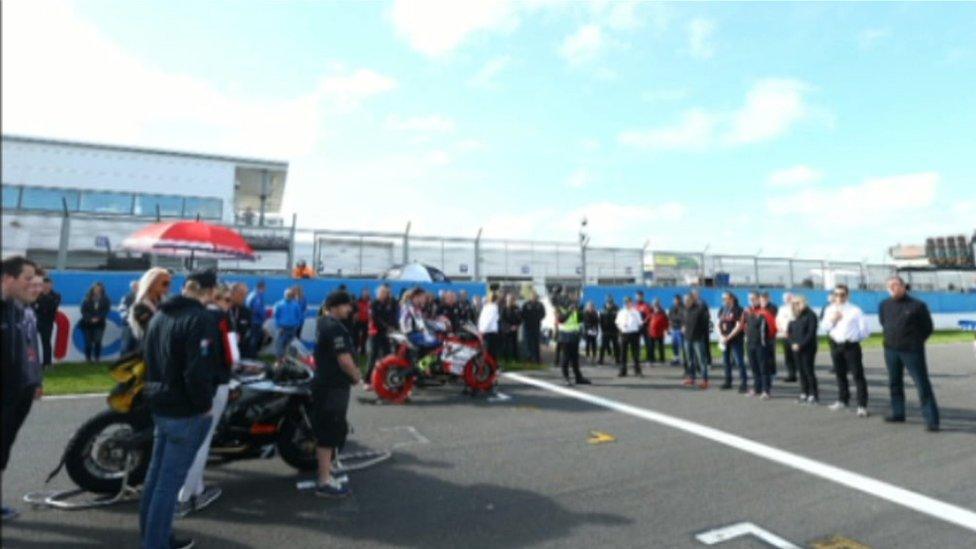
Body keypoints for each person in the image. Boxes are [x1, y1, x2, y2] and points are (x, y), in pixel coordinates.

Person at [140, 270, 220, 549]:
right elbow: (197, 371)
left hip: (160, 403)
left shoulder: (160, 314)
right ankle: (155, 543)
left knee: (155, 477)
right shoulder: (200, 319)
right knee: (168, 484)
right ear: (210, 291)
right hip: (184, 410)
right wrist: (205, 405)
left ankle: (153, 537)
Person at [176, 283, 237, 517]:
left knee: (190, 439)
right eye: (228, 299)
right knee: (202, 440)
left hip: (183, 383)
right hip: (214, 382)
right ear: (214, 295)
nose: (229, 304)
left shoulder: (181, 314)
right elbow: (233, 354)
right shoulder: (220, 317)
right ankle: (185, 497)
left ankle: (197, 487)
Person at [1, 257, 41, 521]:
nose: (33, 285)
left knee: (3, 448)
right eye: (28, 279)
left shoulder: (22, 309)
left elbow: (29, 349)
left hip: (18, 392)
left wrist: (35, 380)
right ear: (8, 278)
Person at [312, 290, 361, 498]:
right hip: (333, 386)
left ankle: (327, 470)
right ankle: (324, 481)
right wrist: (357, 376)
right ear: (334, 307)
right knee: (329, 431)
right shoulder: (334, 328)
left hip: (326, 383)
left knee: (331, 428)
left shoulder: (323, 321)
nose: (349, 309)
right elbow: (344, 360)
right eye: (345, 305)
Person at [879, 276, 940, 431]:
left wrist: (915, 342)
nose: (892, 288)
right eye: (889, 286)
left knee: (921, 384)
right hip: (891, 350)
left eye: (895, 285)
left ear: (904, 286)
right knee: (894, 382)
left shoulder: (917, 305)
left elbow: (928, 327)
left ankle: (932, 420)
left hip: (912, 351)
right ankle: (898, 413)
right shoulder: (884, 305)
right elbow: (883, 322)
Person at [823, 284, 870, 417]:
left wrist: (854, 339)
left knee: (857, 375)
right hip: (836, 345)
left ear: (847, 295)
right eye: (836, 294)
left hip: (851, 346)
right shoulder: (829, 309)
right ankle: (843, 399)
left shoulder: (855, 310)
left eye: (842, 294)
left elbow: (865, 330)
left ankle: (862, 405)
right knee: (840, 374)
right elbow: (824, 327)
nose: (839, 297)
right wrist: (833, 320)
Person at [128, 268, 173, 353]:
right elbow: (151, 329)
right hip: (150, 349)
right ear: (151, 283)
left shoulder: (167, 302)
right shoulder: (140, 306)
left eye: (169, 283)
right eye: (165, 283)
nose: (169, 287)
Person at [788, 294, 820, 405]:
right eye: (794, 303)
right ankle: (804, 393)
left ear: (804, 302)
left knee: (808, 371)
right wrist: (792, 343)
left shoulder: (811, 315)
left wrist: (800, 345)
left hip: (808, 348)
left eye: (798, 303)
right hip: (796, 348)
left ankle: (813, 394)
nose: (796, 305)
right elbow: (790, 332)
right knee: (800, 371)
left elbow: (811, 333)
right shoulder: (794, 316)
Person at [555, 290, 591, 386]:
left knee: (575, 359)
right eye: (568, 298)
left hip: (574, 336)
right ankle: (565, 377)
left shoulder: (575, 308)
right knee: (565, 358)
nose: (571, 301)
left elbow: (581, 320)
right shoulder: (560, 309)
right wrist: (570, 311)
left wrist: (581, 311)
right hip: (565, 336)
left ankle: (578, 377)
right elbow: (561, 320)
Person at [744, 292, 776, 399]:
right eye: (749, 299)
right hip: (750, 344)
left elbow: (772, 329)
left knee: (764, 368)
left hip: (761, 345)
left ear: (759, 299)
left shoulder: (765, 312)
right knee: (754, 368)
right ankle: (757, 388)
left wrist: (765, 342)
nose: (751, 300)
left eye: (753, 298)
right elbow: (745, 326)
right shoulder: (748, 312)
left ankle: (766, 390)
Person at [366, 284, 398, 385]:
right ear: (379, 293)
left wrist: (393, 327)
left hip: (386, 334)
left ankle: (385, 378)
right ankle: (367, 380)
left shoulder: (391, 303)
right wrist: (387, 326)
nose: (386, 294)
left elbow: (394, 316)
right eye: (383, 292)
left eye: (388, 292)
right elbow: (375, 318)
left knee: (387, 356)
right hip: (375, 333)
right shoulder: (374, 303)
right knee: (373, 356)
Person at [717, 292, 747, 392]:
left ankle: (743, 383)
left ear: (732, 299)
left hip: (736, 339)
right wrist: (721, 336)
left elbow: (739, 326)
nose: (723, 300)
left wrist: (729, 337)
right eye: (723, 299)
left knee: (739, 362)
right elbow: (719, 323)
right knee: (726, 361)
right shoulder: (722, 309)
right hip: (725, 340)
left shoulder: (739, 309)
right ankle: (728, 381)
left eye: (725, 298)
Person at [682, 293, 711, 389]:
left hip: (698, 339)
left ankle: (705, 380)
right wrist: (683, 327)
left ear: (692, 300)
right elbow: (683, 321)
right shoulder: (685, 310)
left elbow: (705, 323)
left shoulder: (700, 309)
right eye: (684, 300)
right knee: (690, 360)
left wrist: (702, 335)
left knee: (701, 361)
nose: (685, 302)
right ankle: (692, 378)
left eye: (687, 300)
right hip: (687, 339)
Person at [34, 276, 61, 367]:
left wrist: (42, 302)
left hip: (47, 323)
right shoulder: (36, 294)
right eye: (44, 285)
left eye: (48, 285)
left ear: (51, 285)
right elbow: (33, 307)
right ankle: (31, 363)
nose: (46, 287)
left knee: (46, 343)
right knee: (30, 342)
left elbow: (51, 308)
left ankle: (47, 363)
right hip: (35, 321)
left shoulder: (56, 295)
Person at [80, 282, 111, 363]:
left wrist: (98, 318)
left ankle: (97, 358)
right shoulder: (87, 298)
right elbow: (83, 310)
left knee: (98, 341)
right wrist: (90, 318)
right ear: (93, 289)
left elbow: (106, 310)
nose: (97, 290)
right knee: (88, 342)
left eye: (99, 288)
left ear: (102, 289)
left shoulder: (105, 299)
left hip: (100, 324)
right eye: (96, 288)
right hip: (87, 323)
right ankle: (88, 359)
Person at [273, 288, 303, 362]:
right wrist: (279, 326)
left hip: (292, 329)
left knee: (292, 346)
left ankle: (291, 361)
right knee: (280, 346)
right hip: (282, 329)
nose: (288, 296)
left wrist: (297, 325)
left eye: (290, 295)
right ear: (284, 295)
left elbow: (299, 316)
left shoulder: (296, 305)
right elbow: (275, 316)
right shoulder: (279, 304)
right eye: (287, 295)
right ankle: (279, 362)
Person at [615, 297, 643, 377]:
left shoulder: (636, 312)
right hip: (624, 334)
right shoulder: (621, 312)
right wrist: (620, 329)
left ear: (632, 303)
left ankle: (637, 370)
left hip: (634, 334)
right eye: (626, 302)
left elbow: (640, 323)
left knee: (635, 354)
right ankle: (623, 371)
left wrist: (638, 332)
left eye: (629, 302)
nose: (627, 304)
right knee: (623, 354)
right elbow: (617, 322)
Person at [775, 292, 798, 382]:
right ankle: (791, 375)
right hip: (785, 335)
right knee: (788, 356)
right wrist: (781, 330)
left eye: (789, 297)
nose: (787, 299)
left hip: (795, 335)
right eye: (786, 298)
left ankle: (801, 374)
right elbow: (777, 320)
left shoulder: (796, 308)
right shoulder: (782, 309)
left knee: (796, 356)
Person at [227, 282, 252, 358]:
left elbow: (247, 333)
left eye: (246, 294)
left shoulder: (247, 312)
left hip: (240, 351)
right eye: (241, 294)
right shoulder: (223, 309)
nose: (244, 297)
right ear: (232, 293)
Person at [520, 291, 546, 364]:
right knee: (528, 343)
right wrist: (528, 320)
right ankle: (529, 358)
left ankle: (537, 358)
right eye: (533, 296)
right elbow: (522, 314)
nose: (534, 297)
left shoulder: (540, 305)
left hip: (536, 326)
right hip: (528, 326)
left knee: (536, 342)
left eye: (535, 296)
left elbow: (543, 314)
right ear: (530, 297)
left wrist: (538, 318)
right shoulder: (526, 304)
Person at [245, 280, 267, 356]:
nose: (265, 289)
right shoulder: (257, 295)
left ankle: (250, 354)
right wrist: (264, 316)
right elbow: (257, 308)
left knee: (252, 338)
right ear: (262, 287)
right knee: (254, 339)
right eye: (265, 287)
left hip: (251, 320)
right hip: (256, 321)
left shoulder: (251, 294)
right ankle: (252, 355)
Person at [477, 292, 501, 361]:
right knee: (492, 351)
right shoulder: (494, 307)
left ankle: (488, 364)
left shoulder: (485, 307)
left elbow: (480, 319)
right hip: (490, 332)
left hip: (484, 331)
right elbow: (489, 320)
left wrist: (480, 330)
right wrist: (483, 330)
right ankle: (493, 365)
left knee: (486, 350)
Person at [598, 296, 620, 365]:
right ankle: (600, 360)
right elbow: (600, 321)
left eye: (611, 303)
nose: (609, 304)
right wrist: (602, 330)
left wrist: (618, 330)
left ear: (613, 303)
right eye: (608, 303)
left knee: (616, 346)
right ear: (606, 303)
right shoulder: (602, 311)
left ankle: (617, 359)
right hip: (605, 332)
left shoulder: (617, 310)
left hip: (614, 331)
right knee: (603, 347)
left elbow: (619, 321)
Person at [118, 280, 139, 354]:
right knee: (126, 345)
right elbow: (121, 309)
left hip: (140, 326)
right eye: (134, 287)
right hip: (128, 325)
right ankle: (123, 361)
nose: (136, 288)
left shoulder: (144, 297)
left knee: (138, 345)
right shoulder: (126, 297)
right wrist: (129, 319)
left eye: (137, 286)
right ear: (132, 288)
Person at [500, 294, 522, 361]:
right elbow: (502, 319)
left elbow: (520, 318)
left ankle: (515, 359)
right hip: (506, 330)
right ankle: (505, 359)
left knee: (514, 345)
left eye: (512, 299)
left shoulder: (516, 308)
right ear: (506, 300)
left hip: (514, 329)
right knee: (505, 345)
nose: (510, 300)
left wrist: (517, 325)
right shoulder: (503, 308)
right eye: (509, 299)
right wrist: (510, 327)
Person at [668, 295, 687, 368]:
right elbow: (669, 318)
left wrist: (683, 326)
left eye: (677, 300)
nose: (676, 301)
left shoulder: (683, 308)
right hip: (674, 329)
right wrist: (669, 327)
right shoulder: (672, 307)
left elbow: (685, 318)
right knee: (674, 344)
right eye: (675, 300)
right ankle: (676, 358)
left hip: (680, 329)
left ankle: (685, 360)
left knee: (682, 344)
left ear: (680, 300)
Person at [648, 299, 669, 364]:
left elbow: (666, 323)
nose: (656, 306)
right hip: (651, 333)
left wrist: (666, 330)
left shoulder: (663, 313)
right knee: (651, 347)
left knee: (661, 347)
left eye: (657, 304)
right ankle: (651, 360)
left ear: (659, 305)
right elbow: (647, 322)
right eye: (655, 304)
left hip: (660, 333)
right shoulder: (651, 313)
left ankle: (662, 360)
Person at [635, 291, 654, 362]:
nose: (638, 297)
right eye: (637, 296)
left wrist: (644, 322)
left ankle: (650, 358)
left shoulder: (646, 305)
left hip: (646, 327)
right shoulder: (635, 305)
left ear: (643, 296)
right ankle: (637, 357)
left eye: (640, 296)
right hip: (637, 327)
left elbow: (649, 315)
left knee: (648, 343)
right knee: (637, 343)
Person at [352, 289, 371, 356]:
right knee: (356, 337)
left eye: (367, 294)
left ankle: (363, 350)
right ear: (362, 294)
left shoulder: (370, 301)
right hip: (358, 321)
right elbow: (354, 311)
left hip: (366, 321)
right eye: (365, 294)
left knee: (365, 337)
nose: (366, 295)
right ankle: (355, 350)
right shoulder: (357, 301)